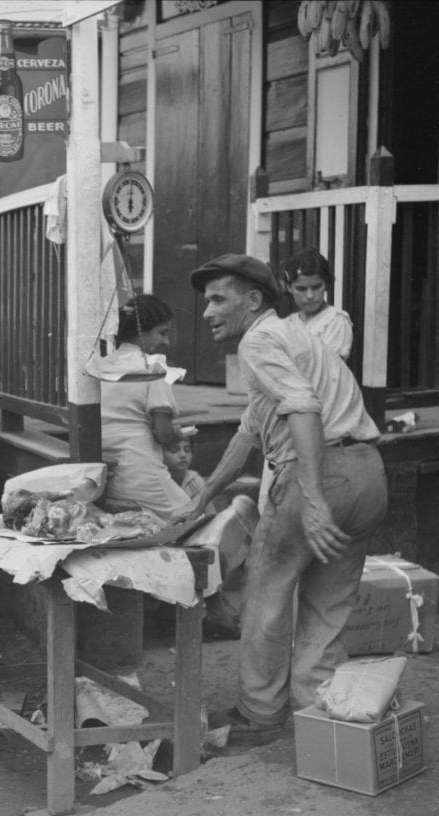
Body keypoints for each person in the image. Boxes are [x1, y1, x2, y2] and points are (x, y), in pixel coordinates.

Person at [181, 253, 387, 744]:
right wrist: (206, 492)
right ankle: (318, 712)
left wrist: (313, 497)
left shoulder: (259, 340)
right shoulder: (293, 336)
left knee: (267, 591)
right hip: (367, 473)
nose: (207, 312)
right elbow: (251, 431)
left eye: (218, 300)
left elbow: (302, 407)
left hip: (322, 475)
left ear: (253, 300)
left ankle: (259, 712)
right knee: (330, 602)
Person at [90, 295, 190, 519]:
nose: (167, 342)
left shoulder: (102, 366)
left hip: (106, 479)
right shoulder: (152, 370)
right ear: (141, 333)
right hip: (142, 475)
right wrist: (178, 431)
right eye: (162, 333)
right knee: (194, 518)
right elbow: (164, 434)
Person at [281, 248, 352, 360]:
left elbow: (327, 369)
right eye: (301, 289)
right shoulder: (288, 324)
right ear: (289, 287)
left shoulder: (334, 322)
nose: (310, 296)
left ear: (326, 284)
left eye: (316, 287)